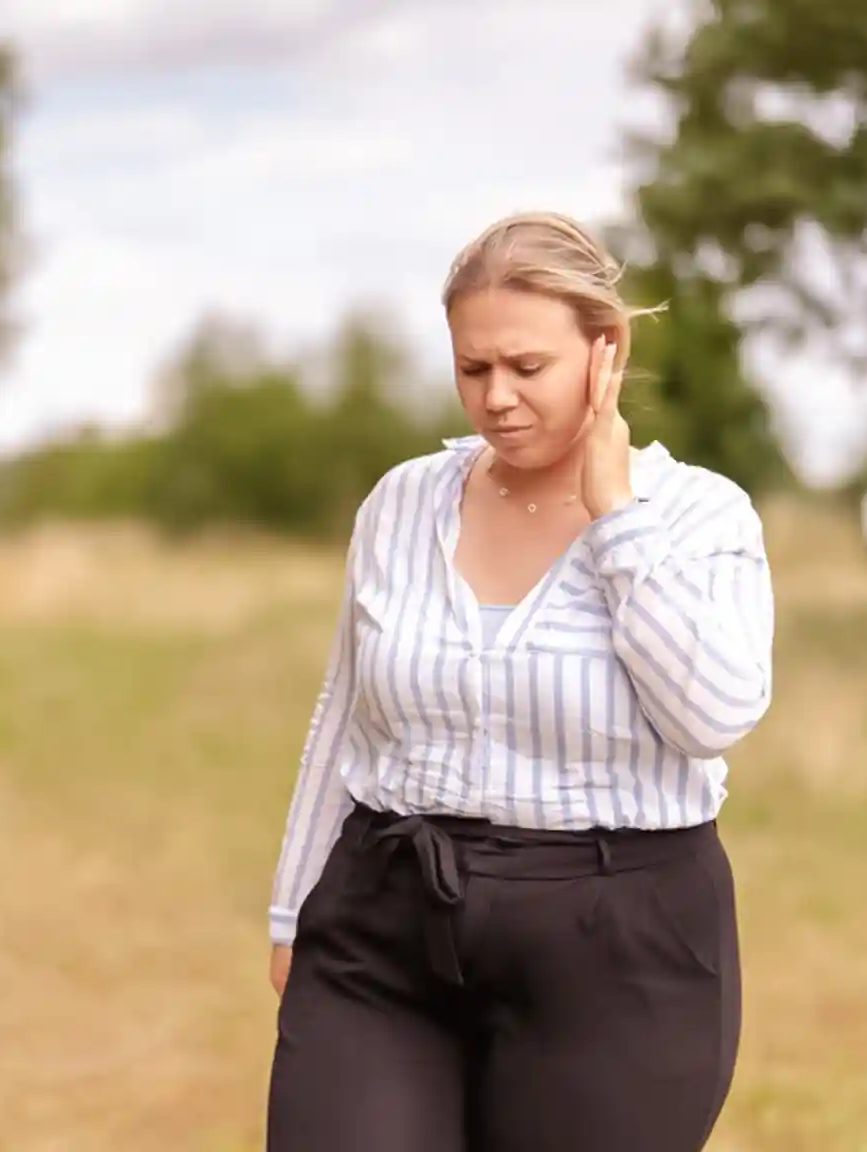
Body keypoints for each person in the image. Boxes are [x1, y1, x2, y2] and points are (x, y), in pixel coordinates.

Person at [261, 211, 776, 1152]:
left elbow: (714, 716)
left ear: (605, 352)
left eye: (527, 367)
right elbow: (344, 714)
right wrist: (294, 909)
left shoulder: (700, 516)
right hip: (384, 924)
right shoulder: (401, 503)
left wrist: (616, 519)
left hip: (619, 946)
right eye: (473, 369)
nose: (496, 398)